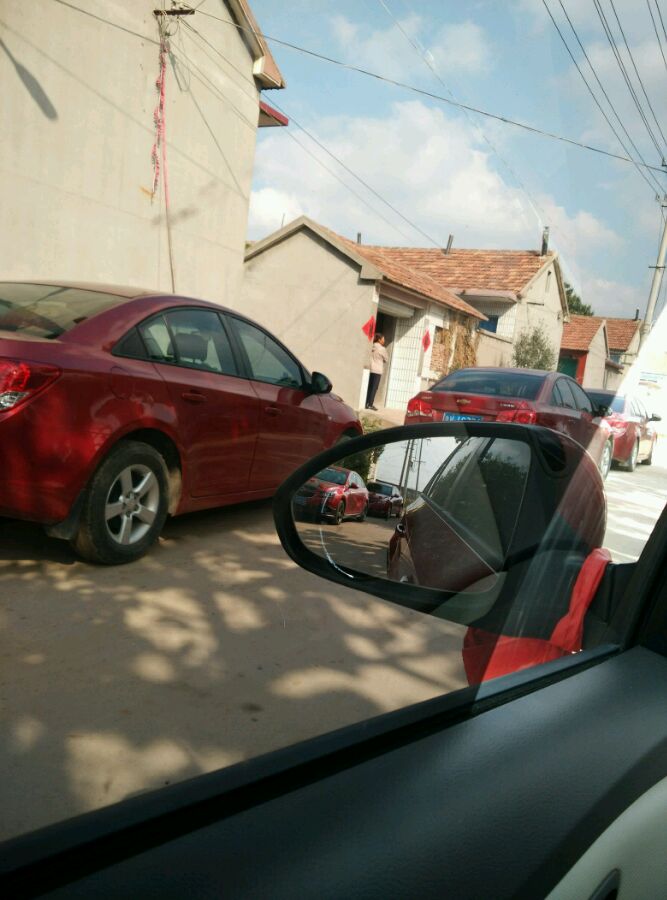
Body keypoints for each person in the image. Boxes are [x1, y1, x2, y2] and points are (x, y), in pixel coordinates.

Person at [365, 333, 388, 410]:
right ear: (379, 340)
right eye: (383, 339)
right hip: (377, 370)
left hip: (370, 369)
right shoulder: (382, 349)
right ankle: (370, 404)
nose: (384, 341)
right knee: (374, 388)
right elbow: (386, 359)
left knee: (369, 387)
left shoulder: (371, 346)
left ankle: (366, 402)